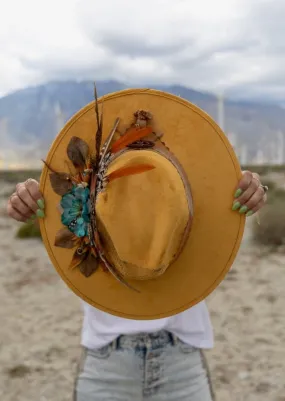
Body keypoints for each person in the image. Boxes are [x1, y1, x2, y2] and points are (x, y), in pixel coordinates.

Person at [6, 170, 267, 401]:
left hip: (182, 359)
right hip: (106, 360)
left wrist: (245, 189)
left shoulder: (184, 180)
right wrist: (30, 196)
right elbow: (54, 201)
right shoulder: (90, 174)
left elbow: (220, 198)